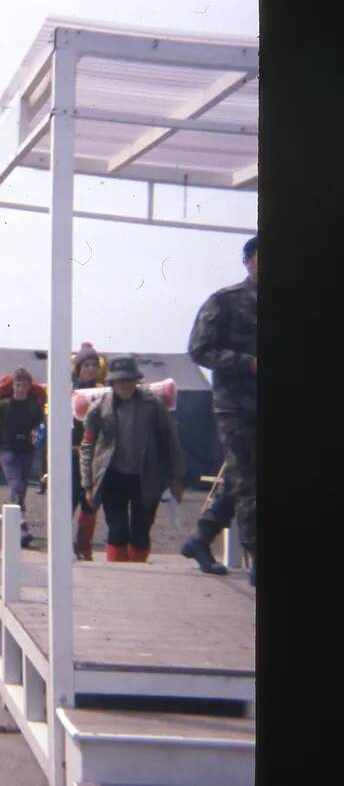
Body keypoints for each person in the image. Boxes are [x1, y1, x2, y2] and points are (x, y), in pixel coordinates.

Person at [181, 235, 258, 583]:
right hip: (235, 407)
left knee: (240, 477)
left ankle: (200, 539)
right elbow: (199, 350)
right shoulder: (225, 302)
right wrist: (248, 363)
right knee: (249, 482)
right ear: (248, 260)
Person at [80, 355, 185, 562]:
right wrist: (88, 485)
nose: (125, 385)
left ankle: (138, 572)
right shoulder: (99, 408)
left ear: (136, 380)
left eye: (129, 380)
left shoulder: (154, 406)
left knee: (140, 533)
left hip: (146, 478)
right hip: (112, 477)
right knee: (117, 531)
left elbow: (170, 441)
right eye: (120, 380)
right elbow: (87, 446)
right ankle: (118, 576)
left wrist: (177, 477)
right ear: (112, 382)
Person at [0, 367, 44, 546]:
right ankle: (20, 525)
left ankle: (20, 525)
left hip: (27, 451)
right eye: (18, 385)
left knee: (21, 490)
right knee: (16, 484)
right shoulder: (3, 406)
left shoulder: (34, 406)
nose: (21, 389)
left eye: (24, 385)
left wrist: (36, 436)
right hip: (8, 450)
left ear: (29, 387)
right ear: (13, 385)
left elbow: (39, 427)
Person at [72, 345, 104, 560]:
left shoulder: (104, 392)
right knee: (67, 501)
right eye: (86, 365)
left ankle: (84, 546)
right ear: (79, 368)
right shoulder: (66, 389)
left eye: (94, 365)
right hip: (70, 453)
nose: (90, 369)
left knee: (90, 502)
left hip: (94, 455)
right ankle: (62, 545)